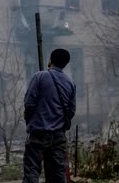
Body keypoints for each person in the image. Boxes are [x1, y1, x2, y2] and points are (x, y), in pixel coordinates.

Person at [23, 49, 76, 183]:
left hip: (37, 133)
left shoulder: (39, 77)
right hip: (58, 136)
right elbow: (71, 111)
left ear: (50, 60)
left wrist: (30, 121)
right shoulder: (70, 83)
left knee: (32, 171)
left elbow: (29, 103)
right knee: (58, 174)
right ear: (65, 64)